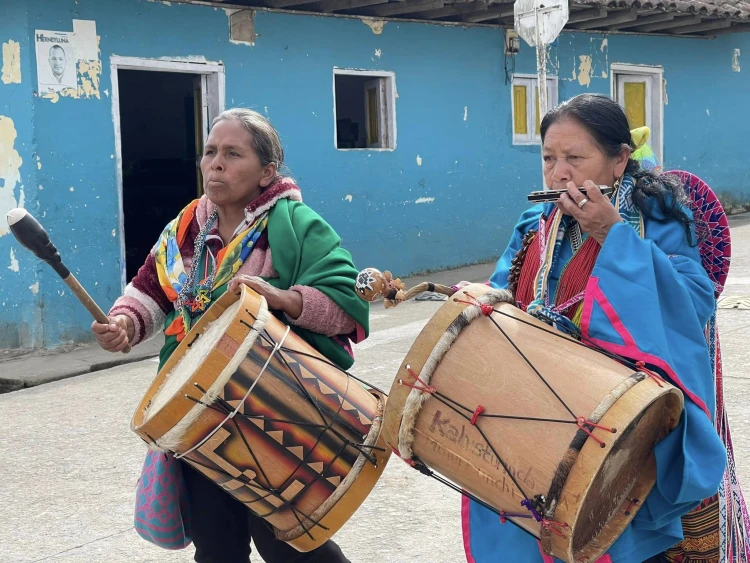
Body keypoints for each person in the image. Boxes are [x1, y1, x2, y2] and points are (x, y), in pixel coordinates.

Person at [91, 108, 369, 563]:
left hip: (276, 412)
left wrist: (283, 298)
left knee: (288, 544)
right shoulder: (187, 227)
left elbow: (344, 301)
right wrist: (124, 324)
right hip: (197, 409)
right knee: (217, 545)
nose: (215, 163)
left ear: (267, 172)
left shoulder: (297, 226)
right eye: (210, 152)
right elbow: (150, 290)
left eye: (232, 154)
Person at [462, 93, 730, 562]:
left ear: (619, 160)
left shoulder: (658, 219)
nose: (558, 172)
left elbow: (693, 305)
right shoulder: (534, 225)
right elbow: (503, 294)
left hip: (620, 428)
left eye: (575, 158)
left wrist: (613, 236)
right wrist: (482, 299)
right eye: (549, 158)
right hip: (539, 416)